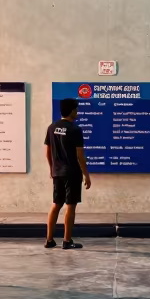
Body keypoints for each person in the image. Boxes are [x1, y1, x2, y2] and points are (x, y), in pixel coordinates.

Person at [44, 98, 91, 249]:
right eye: (76, 109)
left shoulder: (52, 127)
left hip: (57, 172)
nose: (77, 112)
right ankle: (66, 241)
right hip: (72, 173)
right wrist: (87, 175)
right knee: (70, 206)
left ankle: (49, 240)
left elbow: (48, 152)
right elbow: (80, 156)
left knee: (56, 204)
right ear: (71, 110)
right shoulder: (75, 129)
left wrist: (52, 169)